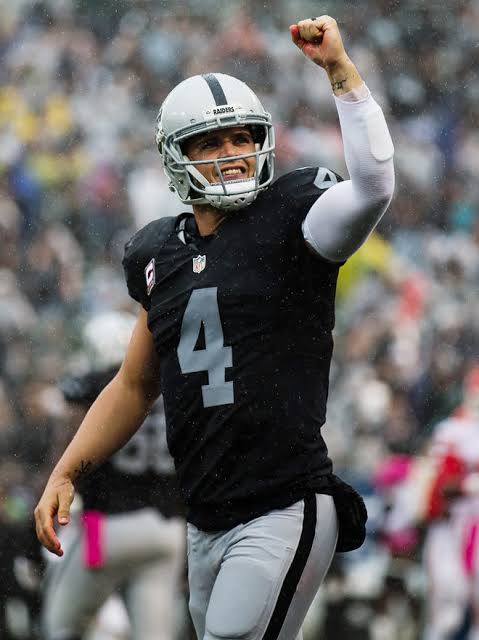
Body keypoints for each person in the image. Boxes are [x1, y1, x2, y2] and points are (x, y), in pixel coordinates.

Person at [35, 16, 395, 640]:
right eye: (211, 143)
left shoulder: (293, 218)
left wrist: (340, 71)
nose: (233, 154)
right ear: (177, 156)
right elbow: (133, 385)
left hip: (283, 501)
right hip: (202, 519)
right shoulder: (159, 253)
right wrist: (67, 470)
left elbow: (373, 188)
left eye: (242, 137)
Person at [41, 312, 186, 640]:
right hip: (167, 530)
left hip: (105, 528)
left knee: (60, 625)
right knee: (154, 636)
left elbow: (67, 432)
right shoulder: (169, 380)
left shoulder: (97, 385)